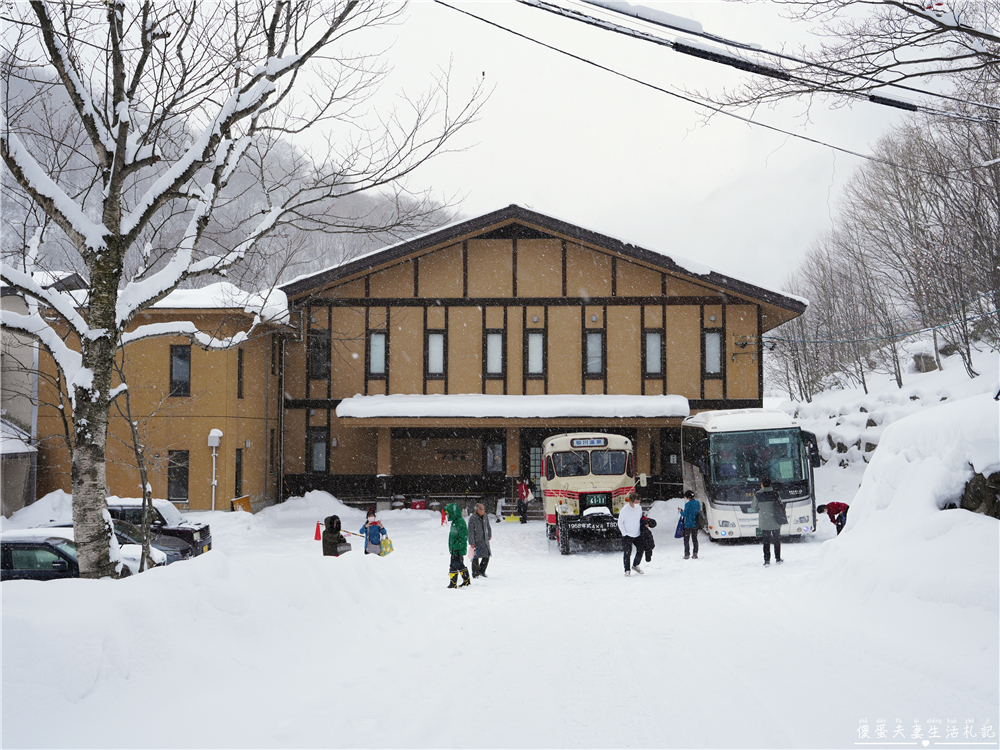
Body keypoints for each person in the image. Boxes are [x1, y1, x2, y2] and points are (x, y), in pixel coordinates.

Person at [750, 477, 783, 566]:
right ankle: (778, 558)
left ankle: (767, 560)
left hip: (764, 521)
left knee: (766, 541)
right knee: (777, 540)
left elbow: (754, 508)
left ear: (762, 484)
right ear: (770, 484)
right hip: (775, 520)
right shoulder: (775, 494)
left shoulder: (758, 495)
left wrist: (761, 510)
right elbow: (781, 504)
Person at [444, 502, 472, 588]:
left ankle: (453, 583)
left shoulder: (460, 522)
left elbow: (463, 536)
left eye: (448, 514)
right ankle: (466, 581)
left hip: (458, 548)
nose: (447, 516)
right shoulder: (455, 522)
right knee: (459, 565)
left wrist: (457, 546)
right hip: (455, 548)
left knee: (453, 566)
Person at [617, 491, 644, 576]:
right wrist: (624, 533)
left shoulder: (639, 508)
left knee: (641, 549)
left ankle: (635, 565)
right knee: (627, 553)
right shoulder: (624, 510)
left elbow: (640, 518)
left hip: (637, 534)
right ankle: (627, 570)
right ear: (631, 502)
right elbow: (620, 523)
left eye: (639, 502)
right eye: (636, 502)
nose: (637, 504)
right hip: (627, 535)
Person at [468, 502, 493, 578]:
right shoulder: (472, 518)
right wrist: (471, 542)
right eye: (482, 509)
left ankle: (482, 571)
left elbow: (488, 526)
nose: (484, 510)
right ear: (478, 510)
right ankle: (475, 573)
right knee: (475, 557)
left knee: (487, 555)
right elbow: (470, 531)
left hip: (484, 540)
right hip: (476, 540)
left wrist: (489, 534)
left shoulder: (485, 516)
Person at [681, 489, 701, 560]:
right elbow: (698, 511)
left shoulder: (687, 504)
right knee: (695, 539)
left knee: (686, 540)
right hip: (696, 524)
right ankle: (695, 553)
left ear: (688, 497)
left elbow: (685, 515)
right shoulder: (698, 502)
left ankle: (687, 554)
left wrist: (681, 511)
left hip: (688, 525)